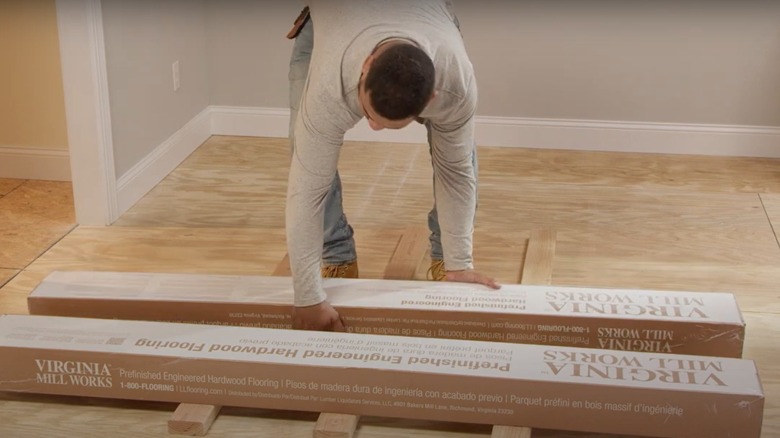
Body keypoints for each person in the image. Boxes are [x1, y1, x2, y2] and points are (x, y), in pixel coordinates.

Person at [286, 0, 500, 332]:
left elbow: (455, 175)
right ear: (365, 66)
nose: (371, 127)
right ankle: (336, 255)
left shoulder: (454, 81)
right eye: (370, 115)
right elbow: (306, 194)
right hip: (331, 22)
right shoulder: (330, 87)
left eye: (387, 124)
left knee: (459, 155)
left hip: (427, 17)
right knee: (306, 155)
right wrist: (308, 298)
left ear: (431, 98)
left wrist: (461, 262)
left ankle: (448, 263)